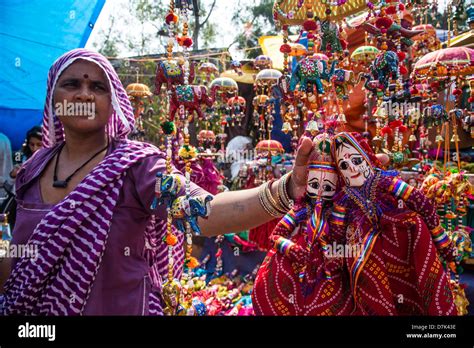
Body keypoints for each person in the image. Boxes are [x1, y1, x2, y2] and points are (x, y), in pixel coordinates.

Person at [0, 49, 313, 315]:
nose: (84, 94)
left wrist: (286, 189)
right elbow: (17, 262)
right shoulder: (32, 170)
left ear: (112, 102)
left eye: (97, 87)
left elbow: (206, 212)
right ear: (53, 97)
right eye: (71, 84)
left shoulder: (138, 166)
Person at [330, 132, 456, 315]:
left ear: (367, 160)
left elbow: (420, 201)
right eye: (344, 165)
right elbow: (336, 231)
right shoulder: (344, 197)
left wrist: (441, 239)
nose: (352, 168)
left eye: (356, 161)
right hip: (364, 253)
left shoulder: (385, 180)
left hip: (399, 245)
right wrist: (334, 259)